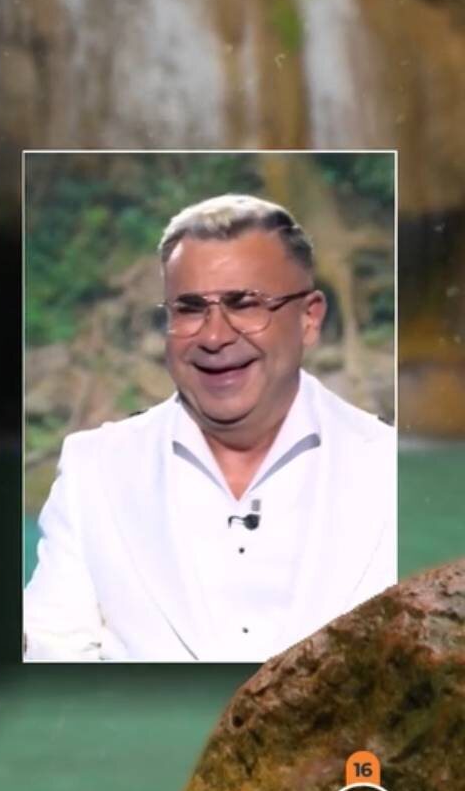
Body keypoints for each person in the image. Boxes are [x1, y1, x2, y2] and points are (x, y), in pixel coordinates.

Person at [23, 194, 395, 662]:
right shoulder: (93, 469)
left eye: (245, 303)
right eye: (190, 308)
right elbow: (52, 653)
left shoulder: (393, 469)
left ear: (309, 318)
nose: (215, 336)